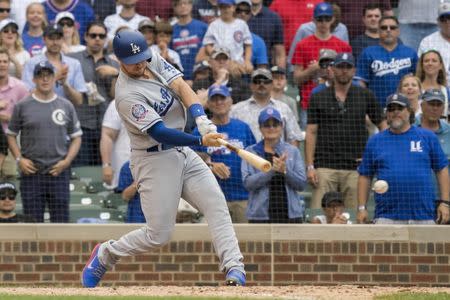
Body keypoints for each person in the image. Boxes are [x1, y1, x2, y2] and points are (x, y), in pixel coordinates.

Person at [81, 30, 246, 288]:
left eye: (143, 58)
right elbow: (159, 133)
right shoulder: (125, 95)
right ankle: (107, 253)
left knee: (216, 204)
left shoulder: (149, 59)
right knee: (158, 235)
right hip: (153, 160)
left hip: (182, 150)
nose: (141, 64)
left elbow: (181, 86)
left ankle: (234, 268)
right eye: (133, 61)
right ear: (119, 59)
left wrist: (201, 119)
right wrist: (200, 141)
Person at [306, 53, 386, 209]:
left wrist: (372, 157)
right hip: (324, 167)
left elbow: (383, 125)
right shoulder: (318, 96)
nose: (344, 71)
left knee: (355, 220)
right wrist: (310, 167)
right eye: (340, 66)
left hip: (355, 169)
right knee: (318, 218)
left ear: (354, 70)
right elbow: (311, 132)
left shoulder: (365, 95)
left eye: (348, 67)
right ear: (333, 69)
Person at [6, 61, 82, 223]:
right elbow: (11, 134)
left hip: (58, 172)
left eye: (48, 75)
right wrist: (19, 159)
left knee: (61, 224)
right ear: (34, 79)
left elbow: (76, 137)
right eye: (40, 76)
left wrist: (67, 161)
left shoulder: (66, 105)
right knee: (32, 225)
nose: (45, 79)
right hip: (31, 173)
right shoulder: (22, 106)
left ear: (55, 78)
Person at [357, 93, 449, 225]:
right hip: (386, 216)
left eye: (399, 108)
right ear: (386, 114)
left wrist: (445, 203)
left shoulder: (427, 137)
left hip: (424, 215)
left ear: (409, 111)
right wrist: (361, 208)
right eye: (391, 109)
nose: (395, 112)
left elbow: (442, 169)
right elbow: (365, 176)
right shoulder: (375, 141)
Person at [192, 84, 256, 223]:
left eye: (222, 98)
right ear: (208, 104)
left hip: (243, 197)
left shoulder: (243, 127)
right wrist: (211, 165)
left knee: (245, 241)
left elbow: (254, 158)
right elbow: (190, 160)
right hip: (212, 199)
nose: (219, 102)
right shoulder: (200, 131)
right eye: (214, 99)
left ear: (231, 101)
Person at [292, 2, 351, 130]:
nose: (323, 22)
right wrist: (314, 68)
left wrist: (333, 73)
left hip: (337, 102)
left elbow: (350, 77)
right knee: (309, 143)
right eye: (320, 19)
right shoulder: (302, 45)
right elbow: (296, 78)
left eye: (327, 18)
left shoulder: (342, 46)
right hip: (310, 102)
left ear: (333, 19)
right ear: (313, 20)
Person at [241, 107, 306, 223]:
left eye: (275, 124)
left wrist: (285, 171)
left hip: (291, 216)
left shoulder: (293, 151)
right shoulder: (250, 152)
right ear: (260, 128)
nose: (271, 128)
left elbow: (301, 184)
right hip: (260, 216)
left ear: (281, 127)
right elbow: (248, 183)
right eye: (267, 125)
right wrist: (271, 171)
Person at [69, 21, 120, 166]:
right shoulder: (73, 59)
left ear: (105, 39)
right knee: (81, 170)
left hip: (105, 126)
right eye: (93, 35)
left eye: (101, 36)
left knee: (103, 168)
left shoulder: (114, 64)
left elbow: (115, 96)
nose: (97, 39)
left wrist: (116, 74)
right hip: (80, 123)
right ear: (85, 37)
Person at [230, 68, 304, 146]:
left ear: (272, 85)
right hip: (246, 157)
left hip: (278, 157)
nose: (261, 84)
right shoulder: (237, 109)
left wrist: (288, 157)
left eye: (266, 81)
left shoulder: (284, 108)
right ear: (251, 85)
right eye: (257, 81)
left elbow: (294, 138)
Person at [356, 16, 418, 108]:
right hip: (376, 108)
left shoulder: (410, 53)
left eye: (392, 27)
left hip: (405, 108)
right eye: (384, 28)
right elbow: (361, 83)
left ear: (398, 31)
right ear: (379, 31)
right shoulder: (368, 52)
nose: (388, 30)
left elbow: (419, 81)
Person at [22, 24, 87, 107]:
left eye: (58, 38)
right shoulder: (32, 63)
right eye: (51, 39)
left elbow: (79, 101)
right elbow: (26, 96)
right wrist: (54, 78)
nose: (55, 42)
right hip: (38, 114)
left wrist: (65, 84)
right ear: (44, 39)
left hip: (65, 115)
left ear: (63, 40)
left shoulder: (74, 64)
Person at [0, 48, 29, 180]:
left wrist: (9, 118)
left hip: (12, 140)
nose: (2, 64)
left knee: (9, 179)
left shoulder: (20, 87)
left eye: (5, 61)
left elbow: (28, 116)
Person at [203, 0, 253, 74]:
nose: (225, 10)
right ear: (219, 9)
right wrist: (219, 59)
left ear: (234, 8)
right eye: (222, 7)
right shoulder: (214, 25)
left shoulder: (242, 24)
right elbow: (208, 45)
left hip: (238, 65)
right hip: (220, 64)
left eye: (228, 7)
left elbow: (248, 45)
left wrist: (247, 61)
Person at [172, 0, 208, 83]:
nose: (183, 6)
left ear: (191, 5)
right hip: (178, 78)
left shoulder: (203, 27)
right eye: (179, 4)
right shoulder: (172, 29)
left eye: (186, 3)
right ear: (175, 8)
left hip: (200, 77)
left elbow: (208, 50)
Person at [418, 3, 450, 89]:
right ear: (438, 22)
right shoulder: (427, 41)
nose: (447, 22)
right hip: (437, 91)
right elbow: (421, 70)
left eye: (449, 18)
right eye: (443, 18)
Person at [100, 100, 130, 190]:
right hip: (124, 166)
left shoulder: (160, 99)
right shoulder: (118, 102)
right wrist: (106, 165)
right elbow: (107, 135)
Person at [247, 0, 285, 68]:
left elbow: (279, 53)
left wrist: (280, 74)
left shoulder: (274, 17)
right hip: (240, 70)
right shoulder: (238, 16)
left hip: (266, 70)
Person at [415, 89, 450, 159]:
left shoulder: (448, 131)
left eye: (439, 105)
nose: (435, 108)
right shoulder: (409, 127)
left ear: (443, 108)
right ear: (422, 106)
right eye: (431, 104)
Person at [235, 0, 268, 69]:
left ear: (250, 14)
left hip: (249, 78)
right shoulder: (221, 35)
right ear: (233, 11)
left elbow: (262, 71)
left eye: (246, 11)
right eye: (239, 10)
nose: (243, 14)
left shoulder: (258, 41)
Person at [416, 50, 449, 119]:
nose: (430, 63)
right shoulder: (414, 89)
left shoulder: (446, 91)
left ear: (440, 65)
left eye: (434, 61)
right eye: (426, 61)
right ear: (422, 65)